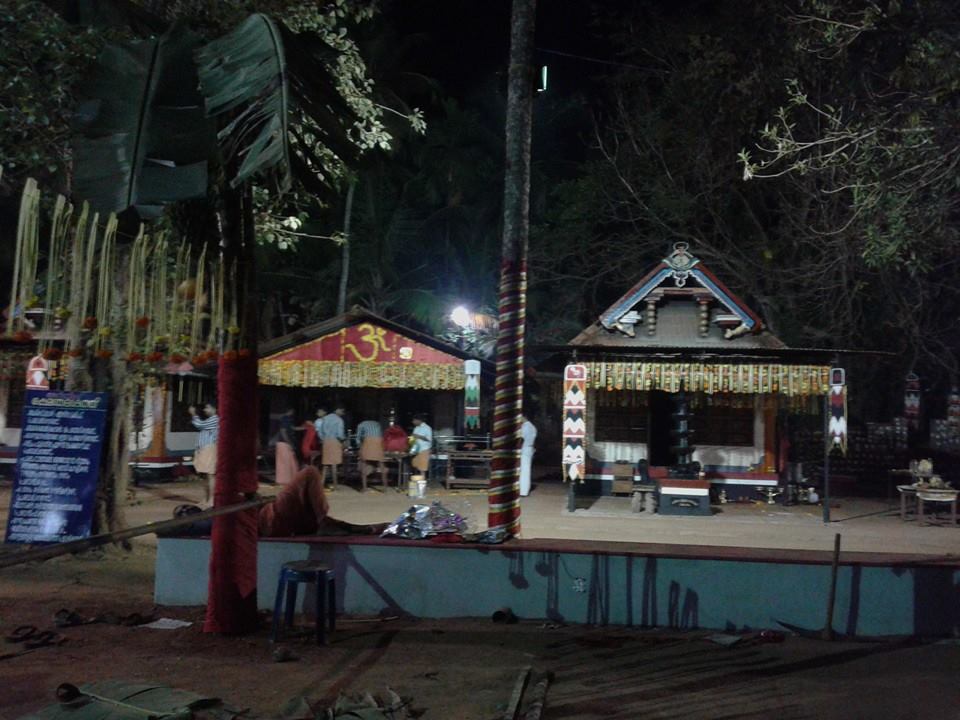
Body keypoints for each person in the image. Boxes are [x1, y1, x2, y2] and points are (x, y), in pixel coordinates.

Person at [189, 401, 219, 505]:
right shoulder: (211, 419)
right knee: (205, 475)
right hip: (203, 449)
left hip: (209, 448)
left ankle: (211, 500)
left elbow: (199, 425)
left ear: (214, 409)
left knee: (210, 475)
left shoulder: (215, 419)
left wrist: (194, 414)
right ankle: (206, 498)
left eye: (208, 408)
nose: (205, 410)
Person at [319, 405, 346, 489]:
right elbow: (340, 435)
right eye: (342, 411)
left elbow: (320, 432)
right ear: (337, 410)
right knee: (334, 464)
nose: (342, 413)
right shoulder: (339, 420)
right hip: (335, 442)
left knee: (325, 464)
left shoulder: (325, 418)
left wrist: (324, 439)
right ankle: (335, 485)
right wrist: (344, 439)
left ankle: (321, 484)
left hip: (326, 442)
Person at [356, 418, 387, 490]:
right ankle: (385, 488)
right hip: (378, 444)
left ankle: (364, 488)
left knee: (364, 465)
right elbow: (381, 436)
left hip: (368, 443)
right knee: (381, 466)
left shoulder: (361, 424)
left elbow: (358, 438)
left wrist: (359, 447)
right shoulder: (377, 424)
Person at [273, 409, 299, 487]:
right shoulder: (285, 419)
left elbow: (292, 428)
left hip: (284, 443)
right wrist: (289, 442)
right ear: (290, 410)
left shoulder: (288, 419)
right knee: (284, 463)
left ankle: (289, 479)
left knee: (289, 462)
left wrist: (304, 427)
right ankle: (283, 480)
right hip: (283, 443)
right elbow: (283, 431)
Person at [410, 414, 433, 478]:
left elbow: (429, 439)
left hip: (424, 449)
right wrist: (411, 441)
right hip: (416, 450)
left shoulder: (427, 428)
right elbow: (413, 437)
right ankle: (416, 480)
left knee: (422, 468)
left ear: (418, 420)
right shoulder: (416, 428)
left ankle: (422, 484)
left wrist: (418, 436)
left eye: (414, 420)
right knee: (415, 465)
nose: (413, 422)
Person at [520, 413, 537, 497]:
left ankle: (523, 491)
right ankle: (524, 490)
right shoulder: (532, 427)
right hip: (529, 448)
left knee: (524, 471)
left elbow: (521, 439)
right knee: (526, 470)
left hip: (525, 449)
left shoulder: (525, 427)